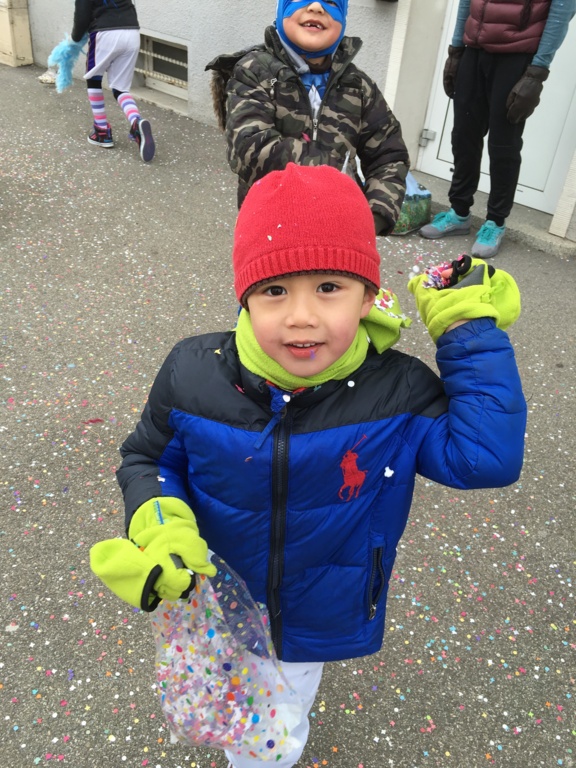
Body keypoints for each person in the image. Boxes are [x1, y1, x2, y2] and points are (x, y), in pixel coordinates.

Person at [90, 163, 526, 768]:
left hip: (322, 605)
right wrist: (161, 527)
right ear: (245, 296)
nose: (301, 316)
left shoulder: (397, 391)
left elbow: (484, 458)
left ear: (368, 296)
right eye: (275, 290)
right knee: (225, 700)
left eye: (329, 287)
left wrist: (467, 329)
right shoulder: (192, 373)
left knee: (275, 731)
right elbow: (148, 458)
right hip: (214, 598)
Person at [205, 0, 409, 235]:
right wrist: (337, 176)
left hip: (338, 231)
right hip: (269, 228)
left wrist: (372, 217)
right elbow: (251, 148)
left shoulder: (359, 86)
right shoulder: (254, 72)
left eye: (331, 2)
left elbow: (389, 156)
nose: (316, 7)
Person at [419, 0, 575, 258]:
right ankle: (459, 213)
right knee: (464, 137)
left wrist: (537, 71)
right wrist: (456, 49)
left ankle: (496, 221)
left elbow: (562, 10)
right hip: (474, 51)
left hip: (517, 56)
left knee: (503, 144)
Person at [70, 0, 155, 161]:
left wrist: (75, 39)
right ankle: (136, 122)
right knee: (120, 87)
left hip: (105, 32)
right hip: (131, 32)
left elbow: (82, 16)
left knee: (93, 78)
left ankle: (101, 132)